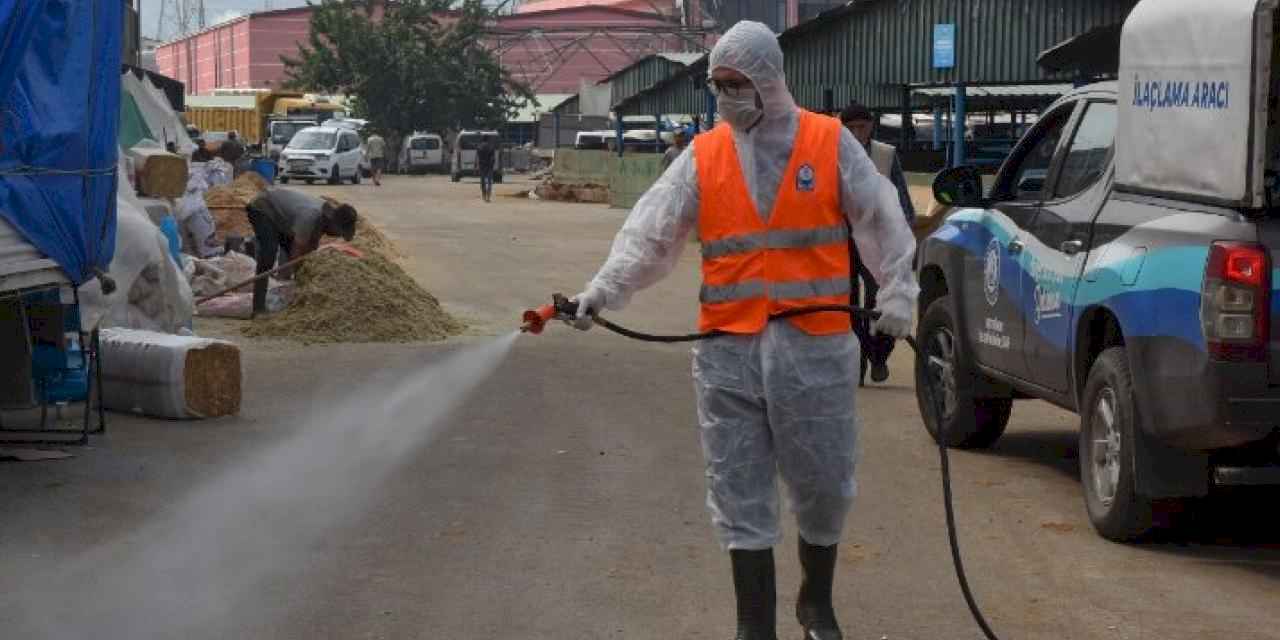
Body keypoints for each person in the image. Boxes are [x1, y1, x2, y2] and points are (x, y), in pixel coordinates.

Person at [571, 21, 917, 640]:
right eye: (718, 85)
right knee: (738, 488)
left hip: (812, 350)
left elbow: (880, 218)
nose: (726, 97)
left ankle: (817, 604)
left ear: (767, 80)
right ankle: (753, 625)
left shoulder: (827, 141)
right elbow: (650, 235)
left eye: (737, 84)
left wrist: (897, 291)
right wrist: (600, 292)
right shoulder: (703, 155)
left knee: (823, 486)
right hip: (727, 352)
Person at [839, 102, 916, 386]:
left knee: (880, 299)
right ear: (842, 128)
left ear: (871, 125)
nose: (857, 132)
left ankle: (879, 354)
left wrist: (904, 236)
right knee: (847, 304)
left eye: (862, 126)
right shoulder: (832, 154)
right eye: (851, 128)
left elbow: (902, 197)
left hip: (876, 240)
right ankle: (857, 362)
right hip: (843, 239)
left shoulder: (885, 154)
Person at [244, 187, 358, 313]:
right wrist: (300, 274)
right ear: (334, 224)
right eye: (339, 233)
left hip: (283, 218)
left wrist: (308, 271)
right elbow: (296, 252)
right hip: (264, 207)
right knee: (269, 254)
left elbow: (310, 249)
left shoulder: (323, 220)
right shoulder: (310, 216)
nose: (338, 236)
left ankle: (300, 301)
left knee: (303, 264)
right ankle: (258, 308)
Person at [476, 138, 497, 202]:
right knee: (489, 182)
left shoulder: (479, 147)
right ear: (488, 140)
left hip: (482, 166)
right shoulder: (491, 147)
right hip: (489, 166)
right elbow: (493, 158)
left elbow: (477, 158)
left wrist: (477, 166)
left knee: (483, 182)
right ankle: (488, 196)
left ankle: (484, 196)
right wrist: (492, 165)